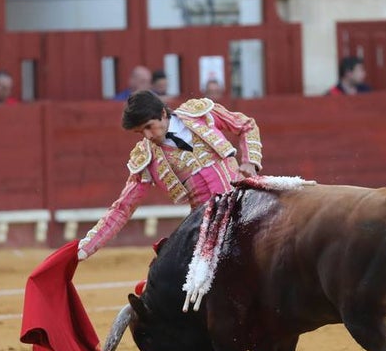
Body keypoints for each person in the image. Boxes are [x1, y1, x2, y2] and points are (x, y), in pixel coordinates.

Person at [77, 90, 262, 261]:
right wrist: (86, 247)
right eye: (140, 132)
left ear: (163, 114)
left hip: (246, 202)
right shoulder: (147, 158)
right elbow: (123, 208)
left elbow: (246, 125)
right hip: (208, 226)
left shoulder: (199, 114)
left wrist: (250, 161)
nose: (147, 135)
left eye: (149, 126)